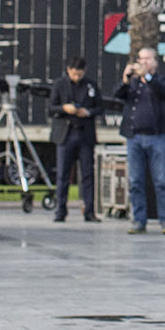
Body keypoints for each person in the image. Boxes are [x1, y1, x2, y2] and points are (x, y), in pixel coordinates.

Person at [113, 46, 165, 234]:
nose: (144, 63)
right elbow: (117, 95)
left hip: (157, 137)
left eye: (148, 59)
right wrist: (125, 79)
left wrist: (147, 77)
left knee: (161, 181)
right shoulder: (133, 83)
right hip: (135, 137)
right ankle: (139, 220)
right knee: (135, 181)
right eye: (141, 59)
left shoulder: (161, 80)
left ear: (155, 61)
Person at [50, 55, 104, 223]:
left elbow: (100, 107)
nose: (76, 77)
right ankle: (60, 210)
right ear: (68, 71)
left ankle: (89, 211)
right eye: (73, 74)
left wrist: (88, 112)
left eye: (79, 74)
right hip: (66, 134)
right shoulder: (60, 84)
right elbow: (51, 108)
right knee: (63, 174)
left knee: (87, 174)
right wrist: (64, 108)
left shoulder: (90, 85)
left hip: (84, 134)